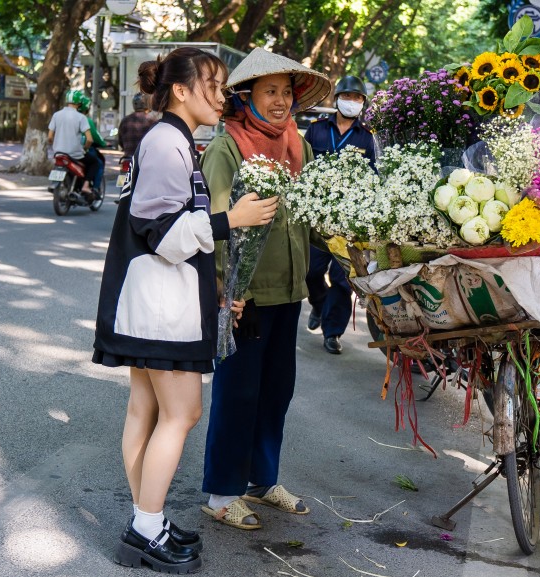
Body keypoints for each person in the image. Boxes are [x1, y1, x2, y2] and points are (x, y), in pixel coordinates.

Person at [92, 47, 278, 573]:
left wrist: (218, 292)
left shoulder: (173, 142)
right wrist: (230, 220)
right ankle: (145, 528)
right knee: (182, 413)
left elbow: (168, 234)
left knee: (146, 410)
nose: (223, 97)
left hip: (155, 302)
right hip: (158, 307)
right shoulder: (167, 143)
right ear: (181, 90)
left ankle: (146, 519)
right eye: (214, 86)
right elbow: (161, 235)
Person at [199, 47, 331, 530]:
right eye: (269, 91)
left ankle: (262, 478)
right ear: (247, 96)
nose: (280, 102)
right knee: (238, 392)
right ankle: (221, 492)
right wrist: (233, 292)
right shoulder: (227, 147)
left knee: (276, 390)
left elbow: (310, 216)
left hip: (288, 290)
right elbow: (216, 224)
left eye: (286, 92)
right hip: (245, 299)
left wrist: (341, 257)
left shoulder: (298, 144)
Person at [302, 75, 377, 354]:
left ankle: (332, 333)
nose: (352, 102)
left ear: (363, 104)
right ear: (337, 99)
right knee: (311, 271)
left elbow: (373, 175)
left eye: (358, 98)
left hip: (350, 220)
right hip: (317, 216)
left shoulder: (367, 137)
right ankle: (319, 305)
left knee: (343, 278)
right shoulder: (317, 130)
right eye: (348, 96)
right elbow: (303, 164)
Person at [48, 90, 103, 199]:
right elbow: (89, 139)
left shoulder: (56, 115)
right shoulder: (81, 117)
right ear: (79, 103)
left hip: (58, 153)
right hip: (75, 154)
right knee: (95, 163)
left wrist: (55, 144)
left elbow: (49, 137)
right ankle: (86, 186)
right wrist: (85, 148)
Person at [77, 97, 108, 196]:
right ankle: (91, 187)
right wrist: (103, 143)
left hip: (65, 151)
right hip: (81, 151)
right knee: (97, 163)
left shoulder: (69, 118)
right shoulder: (86, 120)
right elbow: (95, 137)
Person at [119, 93, 158, 158]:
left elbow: (120, 141)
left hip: (128, 157)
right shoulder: (152, 121)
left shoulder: (125, 120)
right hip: (146, 158)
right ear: (148, 104)